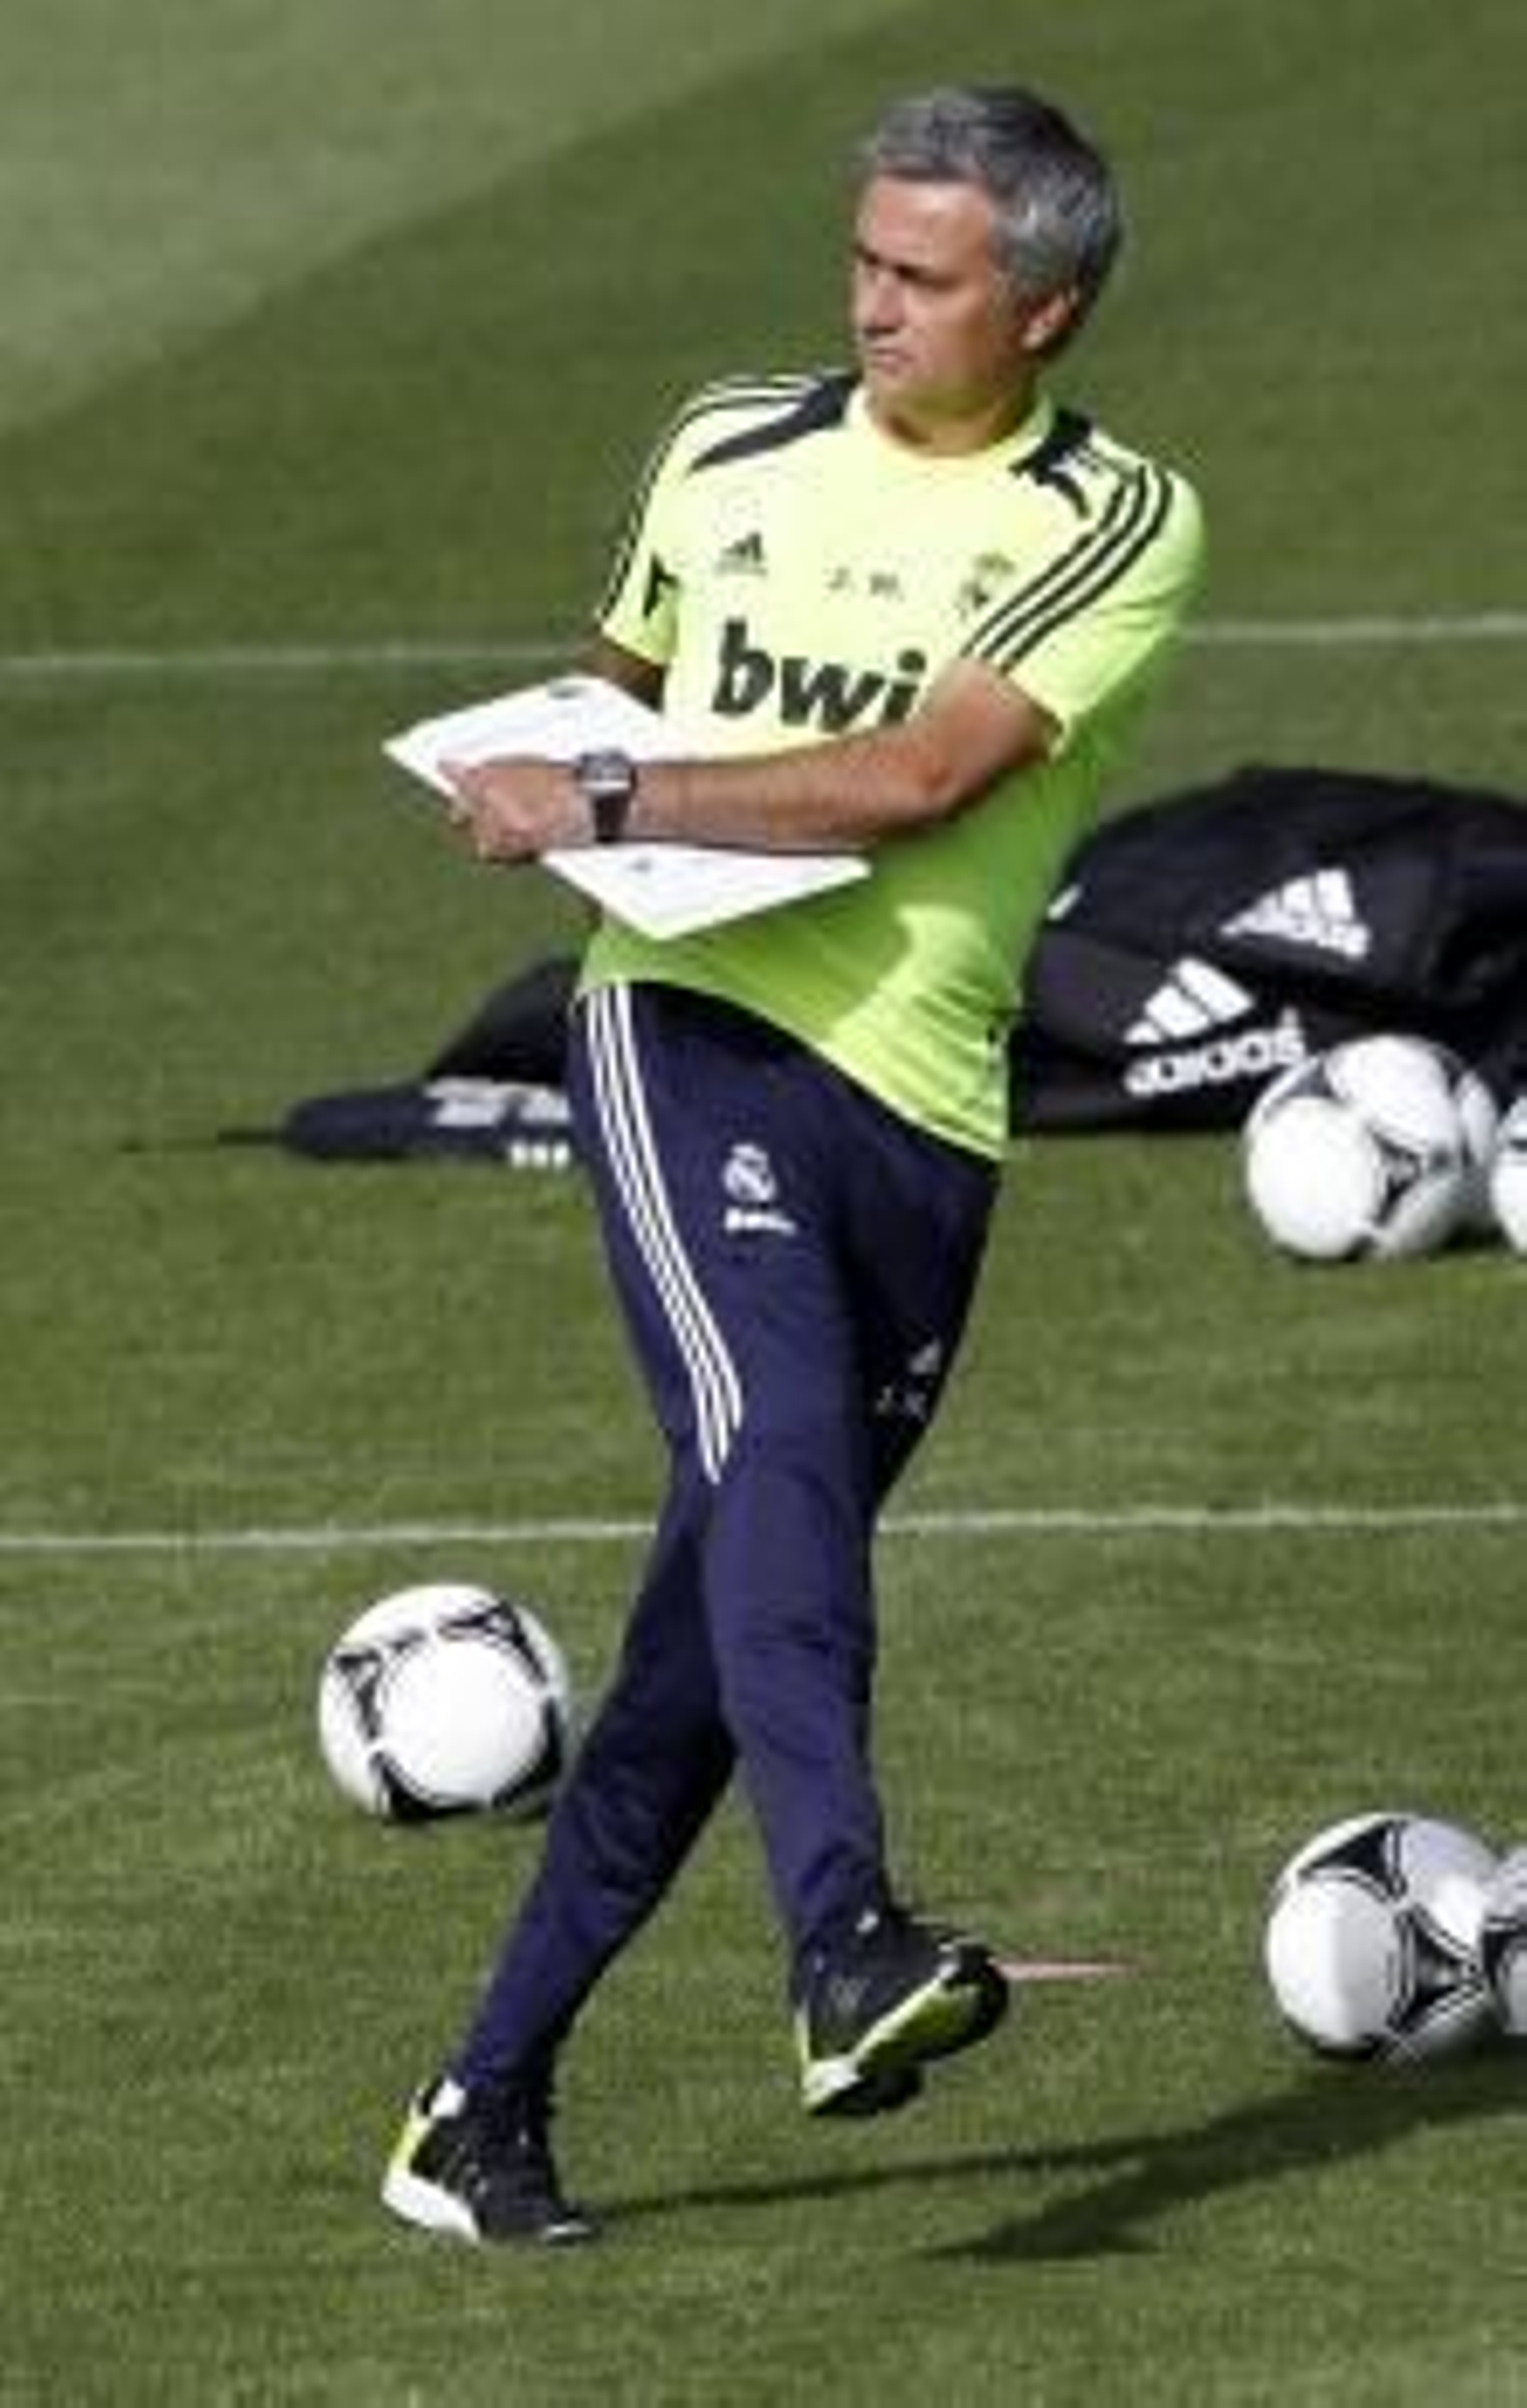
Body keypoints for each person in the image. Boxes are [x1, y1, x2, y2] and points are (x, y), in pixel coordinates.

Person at [382, 80, 1204, 2247]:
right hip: (681, 1028)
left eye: (920, 281)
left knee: (692, 1657)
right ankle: (842, 1941)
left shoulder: (1112, 521)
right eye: (857, 261)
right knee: (772, 1442)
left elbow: (925, 776)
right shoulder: (725, 440)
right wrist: (558, 772)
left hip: (920, 1112)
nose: (868, 308)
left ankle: (480, 2105)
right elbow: (622, 678)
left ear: (1046, 306)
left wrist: (612, 782)